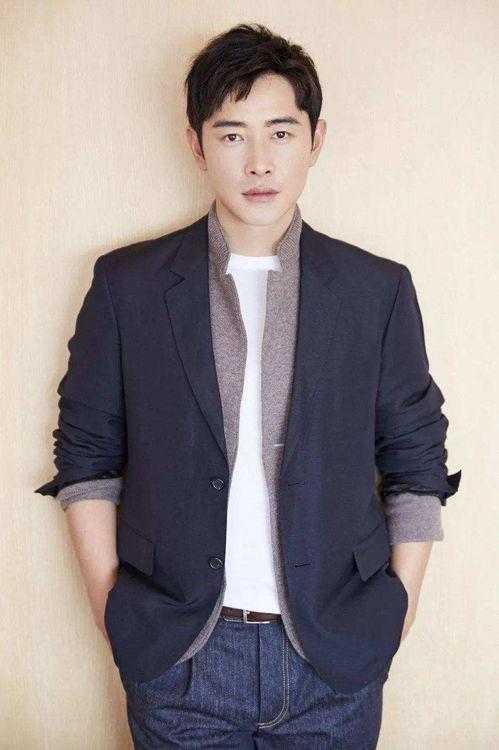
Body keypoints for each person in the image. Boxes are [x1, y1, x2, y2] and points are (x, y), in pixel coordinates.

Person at [35, 22, 461, 749]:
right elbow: (86, 457)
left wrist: (398, 610)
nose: (259, 161)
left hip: (334, 659)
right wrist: (114, 610)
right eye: (231, 135)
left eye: (281, 133)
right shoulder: (127, 285)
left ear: (315, 139)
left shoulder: (377, 290)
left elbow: (417, 463)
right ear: (197, 144)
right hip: (179, 661)